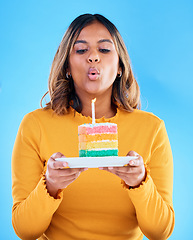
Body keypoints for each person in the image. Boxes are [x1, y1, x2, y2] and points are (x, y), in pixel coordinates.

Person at [12, 13, 175, 240]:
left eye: (104, 50)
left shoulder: (152, 128)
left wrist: (140, 183)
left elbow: (161, 232)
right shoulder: (35, 125)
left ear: (120, 66)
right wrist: (49, 185)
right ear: (67, 66)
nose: (93, 58)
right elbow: (25, 231)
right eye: (81, 50)